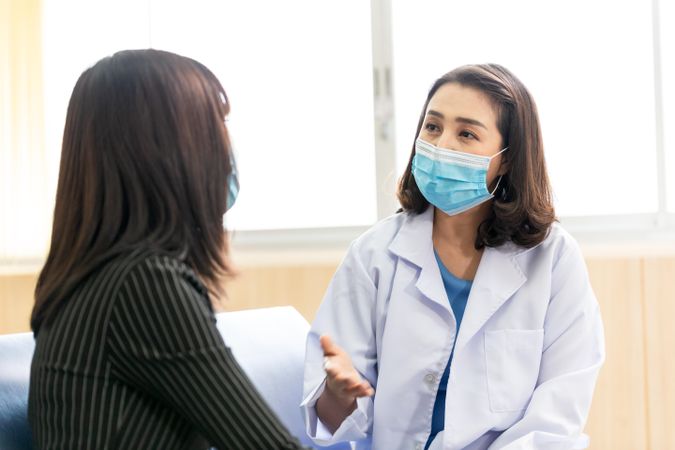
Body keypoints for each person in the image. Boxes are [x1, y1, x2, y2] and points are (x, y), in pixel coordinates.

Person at [302, 64, 605, 450]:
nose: (442, 145)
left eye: (466, 134)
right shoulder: (373, 255)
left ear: (507, 158)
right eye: (432, 127)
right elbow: (331, 421)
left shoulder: (553, 259)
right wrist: (338, 393)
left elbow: (557, 414)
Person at [28, 49, 307, 450]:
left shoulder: (88, 277)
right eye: (216, 124)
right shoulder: (144, 285)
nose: (226, 145)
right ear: (169, 149)